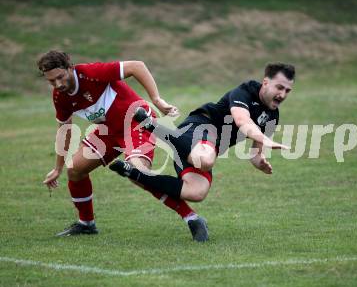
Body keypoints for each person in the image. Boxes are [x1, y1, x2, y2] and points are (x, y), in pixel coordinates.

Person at [38, 50, 208, 241]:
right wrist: (57, 168)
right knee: (74, 169)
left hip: (136, 121)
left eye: (60, 77)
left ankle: (191, 217)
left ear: (70, 68)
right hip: (109, 131)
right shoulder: (60, 97)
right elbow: (65, 131)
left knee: (137, 173)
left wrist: (157, 99)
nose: (58, 84)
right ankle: (86, 223)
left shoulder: (90, 73)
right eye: (52, 81)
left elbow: (137, 66)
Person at [109, 62, 294, 208]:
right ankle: (153, 126)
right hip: (201, 127)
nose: (283, 94)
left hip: (202, 148)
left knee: (197, 192)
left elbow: (255, 153)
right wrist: (265, 139)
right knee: (205, 160)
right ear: (266, 82)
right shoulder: (245, 91)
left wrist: (260, 163)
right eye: (279, 87)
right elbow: (242, 121)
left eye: (287, 90)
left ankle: (133, 172)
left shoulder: (272, 116)